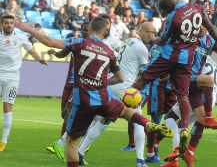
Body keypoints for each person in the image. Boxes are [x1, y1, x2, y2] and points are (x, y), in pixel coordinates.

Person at [15, 15, 174, 167]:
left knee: (71, 141)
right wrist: (102, 82)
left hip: (83, 101)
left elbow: (49, 41)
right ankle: (147, 124)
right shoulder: (109, 51)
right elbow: (120, 77)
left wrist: (27, 28)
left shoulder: (80, 43)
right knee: (126, 112)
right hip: (105, 98)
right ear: (105, 32)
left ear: (89, 29)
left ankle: (75, 153)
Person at [129, 0, 217, 160]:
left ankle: (121, 103)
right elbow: (213, 28)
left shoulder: (173, 18)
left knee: (142, 79)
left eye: (163, 10)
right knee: (182, 98)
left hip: (170, 56)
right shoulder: (197, 7)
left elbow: (162, 42)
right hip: (186, 61)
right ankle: (184, 129)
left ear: (167, 7)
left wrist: (152, 40)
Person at [78, 22, 156, 167]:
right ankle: (140, 160)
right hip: (127, 90)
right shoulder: (142, 48)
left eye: (153, 32)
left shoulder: (129, 41)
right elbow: (145, 71)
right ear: (139, 32)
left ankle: (80, 152)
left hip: (114, 85)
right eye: (147, 31)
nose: (150, 35)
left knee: (103, 121)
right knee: (139, 122)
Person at [162, 25, 217, 167]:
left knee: (175, 120)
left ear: (209, 27)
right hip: (192, 79)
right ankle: (184, 153)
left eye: (204, 24)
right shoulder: (188, 37)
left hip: (198, 86)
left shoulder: (210, 41)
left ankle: (175, 155)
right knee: (193, 119)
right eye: (199, 24)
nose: (201, 27)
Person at [0, 15, 48, 152]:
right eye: (6, 23)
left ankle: (4, 140)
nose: (9, 25)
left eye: (11, 23)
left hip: (12, 76)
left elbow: (31, 51)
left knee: (7, 107)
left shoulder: (20, 38)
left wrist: (40, 60)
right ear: (1, 24)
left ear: (14, 25)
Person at [45, 22, 91, 160]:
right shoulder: (76, 43)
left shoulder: (93, 46)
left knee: (71, 112)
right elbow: (62, 53)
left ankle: (69, 144)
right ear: (80, 31)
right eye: (84, 29)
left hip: (80, 83)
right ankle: (63, 143)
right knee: (64, 114)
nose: (87, 32)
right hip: (68, 82)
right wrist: (54, 52)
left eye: (89, 29)